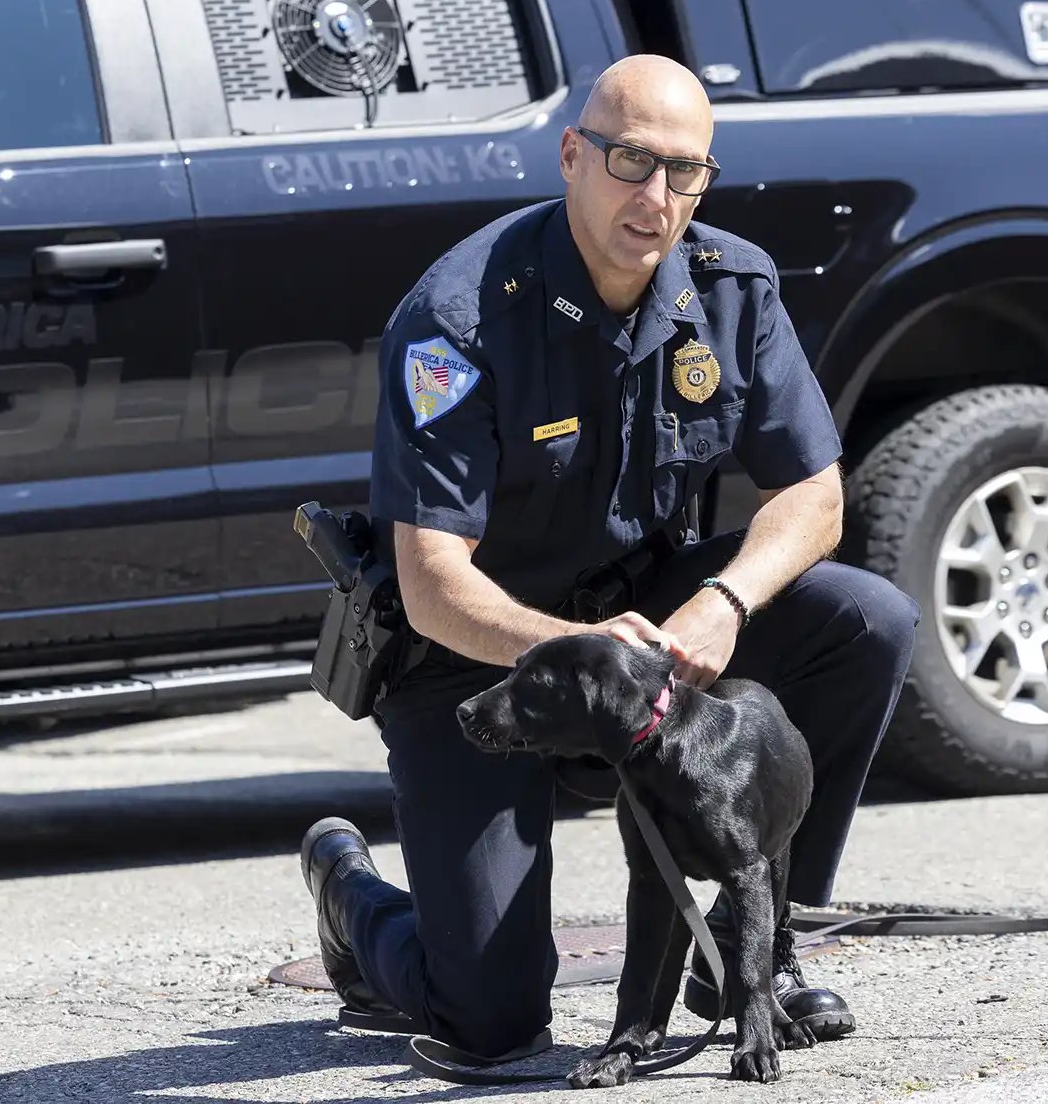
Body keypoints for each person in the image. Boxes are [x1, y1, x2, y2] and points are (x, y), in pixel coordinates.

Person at [300, 54, 918, 1063]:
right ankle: (357, 906)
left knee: (866, 622)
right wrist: (581, 648)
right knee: (492, 1026)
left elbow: (814, 496)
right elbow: (431, 583)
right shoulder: (461, 317)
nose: (657, 198)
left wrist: (726, 601)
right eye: (632, 163)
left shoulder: (729, 286)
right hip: (477, 660)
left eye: (686, 172)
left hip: (644, 629)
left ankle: (759, 942)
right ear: (574, 155)